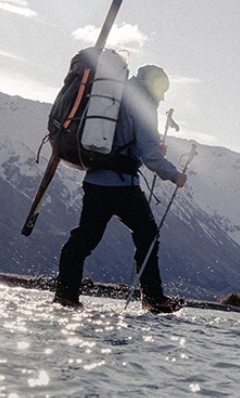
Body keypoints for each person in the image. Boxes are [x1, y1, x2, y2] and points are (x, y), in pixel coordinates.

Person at [54, 64, 188, 313]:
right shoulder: (142, 105)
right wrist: (175, 176)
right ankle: (153, 299)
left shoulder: (116, 95)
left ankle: (65, 295)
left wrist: (143, 148)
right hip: (122, 185)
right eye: (162, 90)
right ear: (153, 85)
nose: (162, 97)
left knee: (85, 238)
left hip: (95, 180)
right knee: (147, 235)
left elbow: (124, 140)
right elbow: (150, 155)